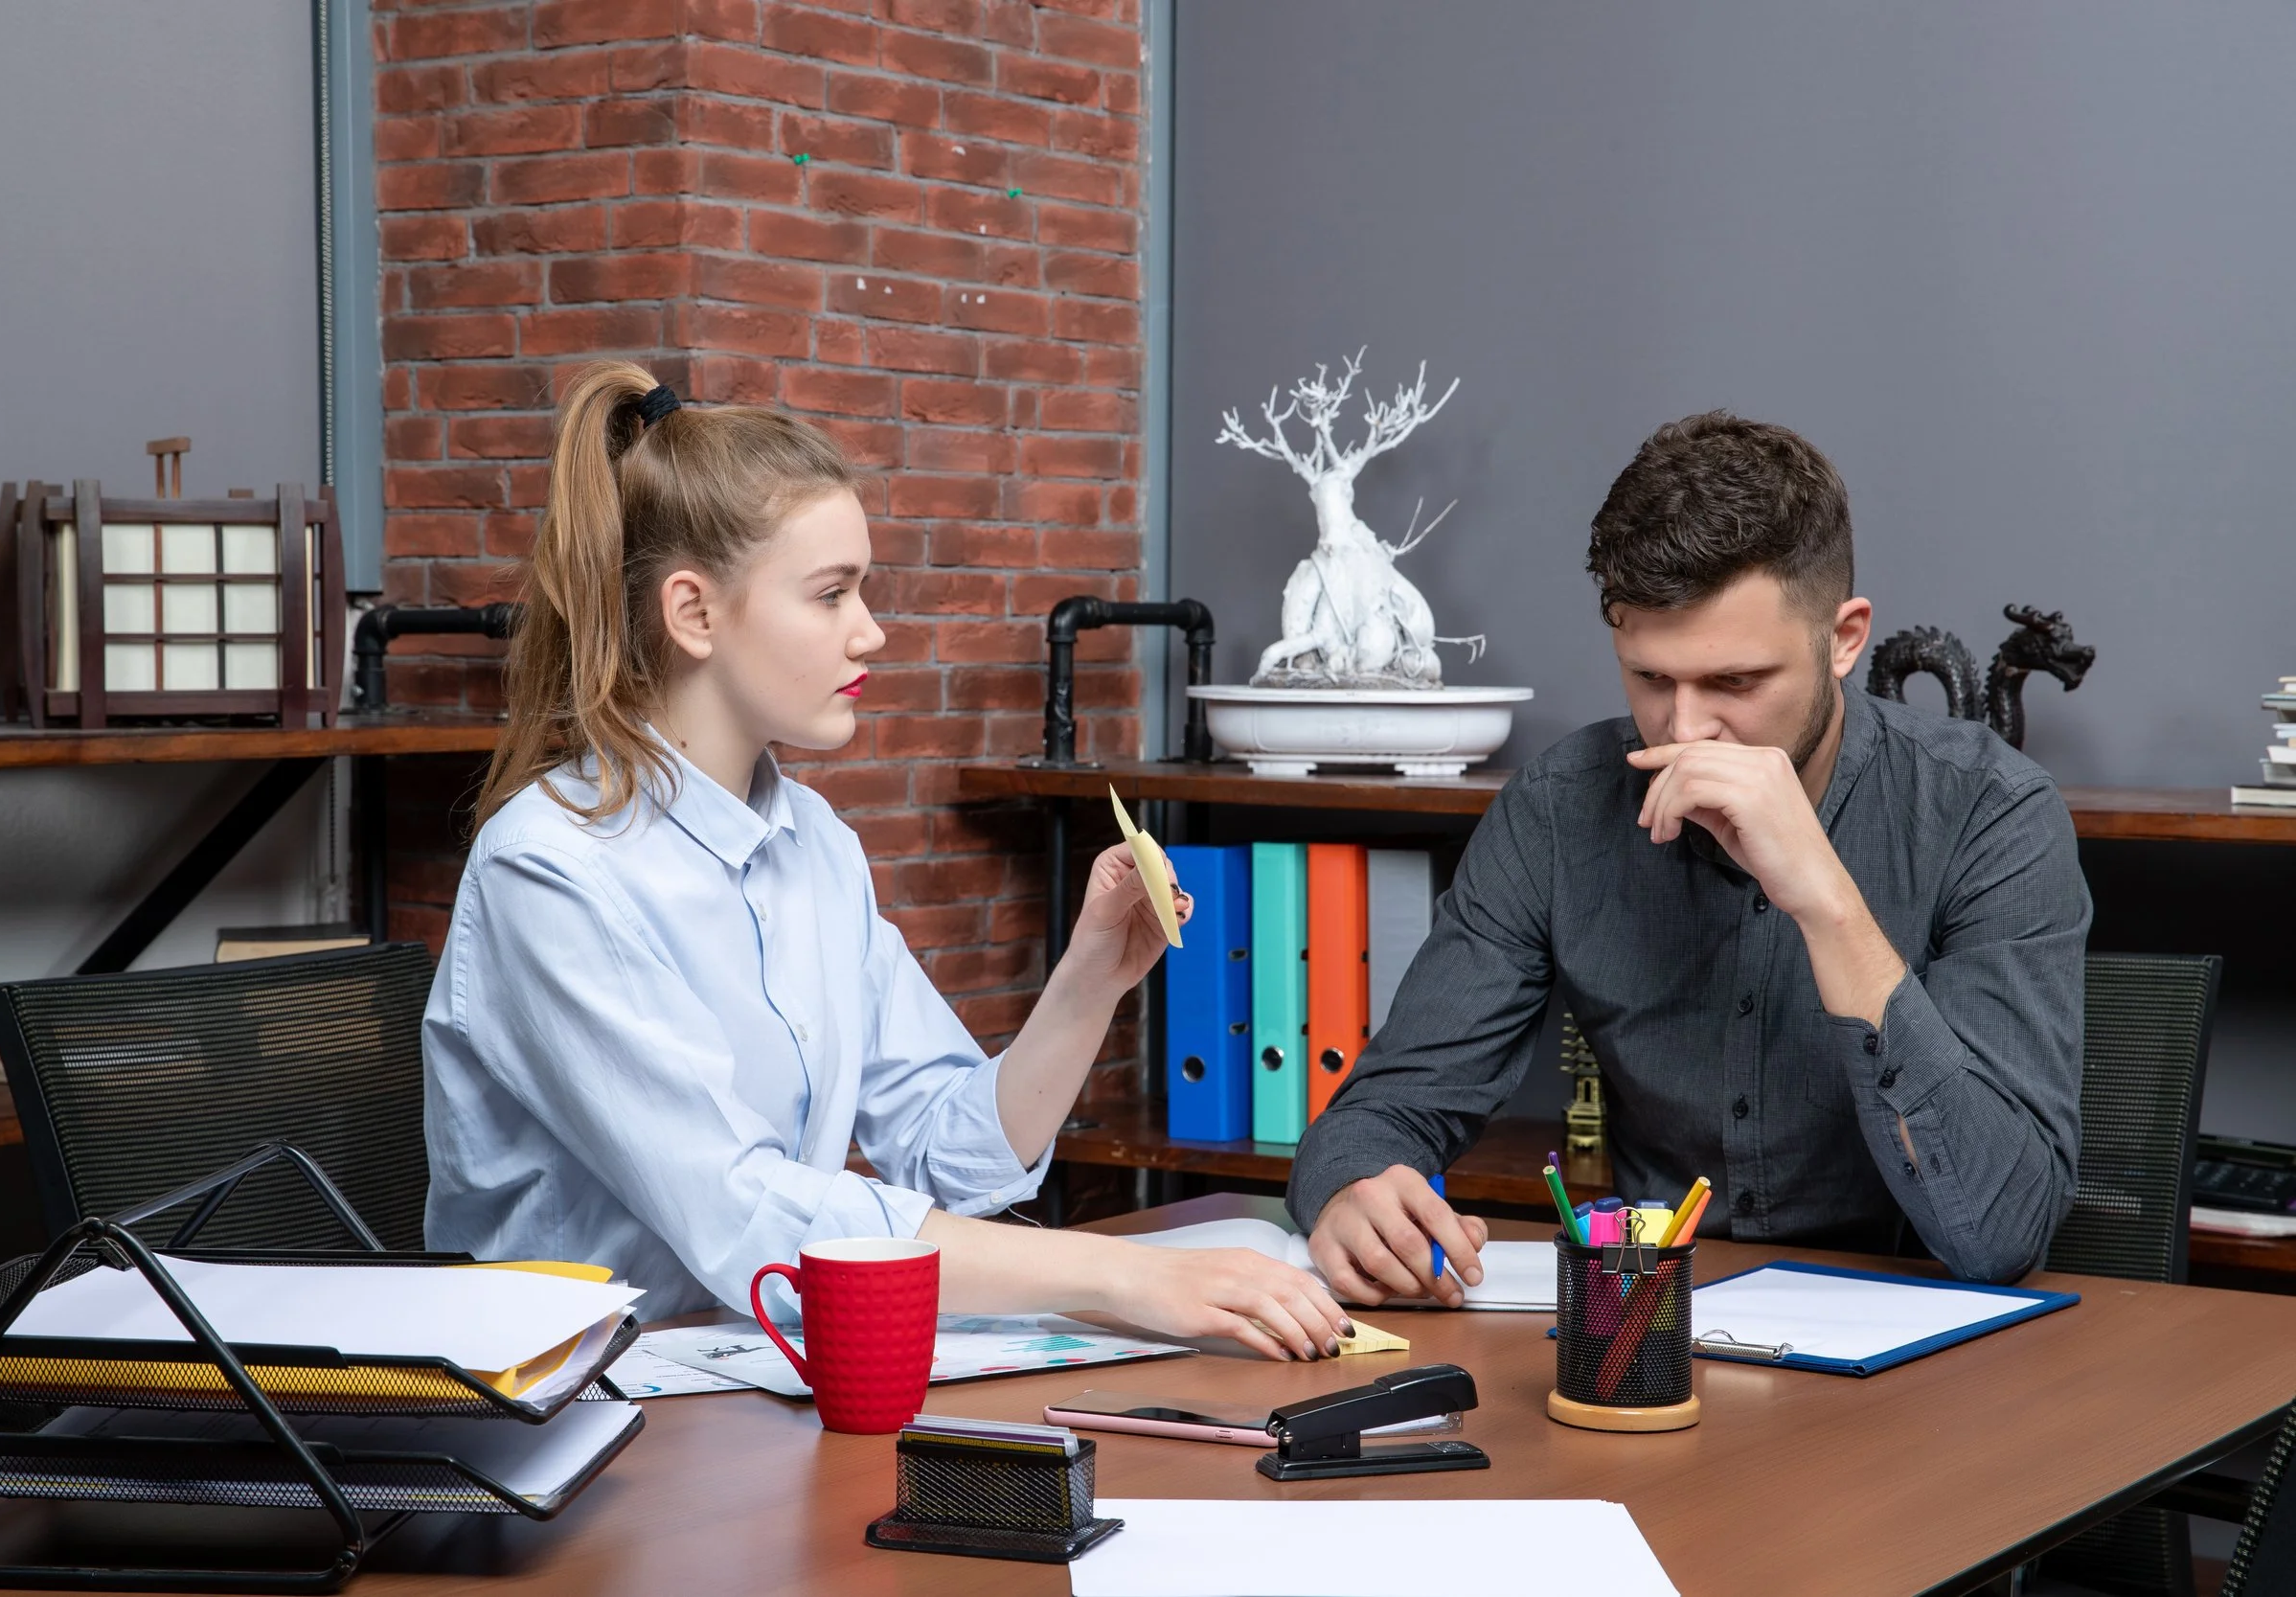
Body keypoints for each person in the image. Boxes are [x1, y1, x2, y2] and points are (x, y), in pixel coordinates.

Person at [424, 360, 1350, 1361]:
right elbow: (749, 1217)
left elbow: (952, 1153)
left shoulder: (813, 842)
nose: (870, 630)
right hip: (584, 1411)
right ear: (693, 613)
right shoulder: (551, 873)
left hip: (753, 1378)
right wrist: (1128, 1276)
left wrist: (1091, 976)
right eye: (831, 594)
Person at [1290, 412, 2089, 1296]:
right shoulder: (1559, 811)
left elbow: (2001, 1233)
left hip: (1935, 1360)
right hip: (1648, 1331)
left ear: (1845, 639)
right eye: (1650, 677)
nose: (1685, 728)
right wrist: (1357, 1186)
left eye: (1736, 683)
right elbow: (1384, 1110)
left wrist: (1828, 904)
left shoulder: (1991, 812)